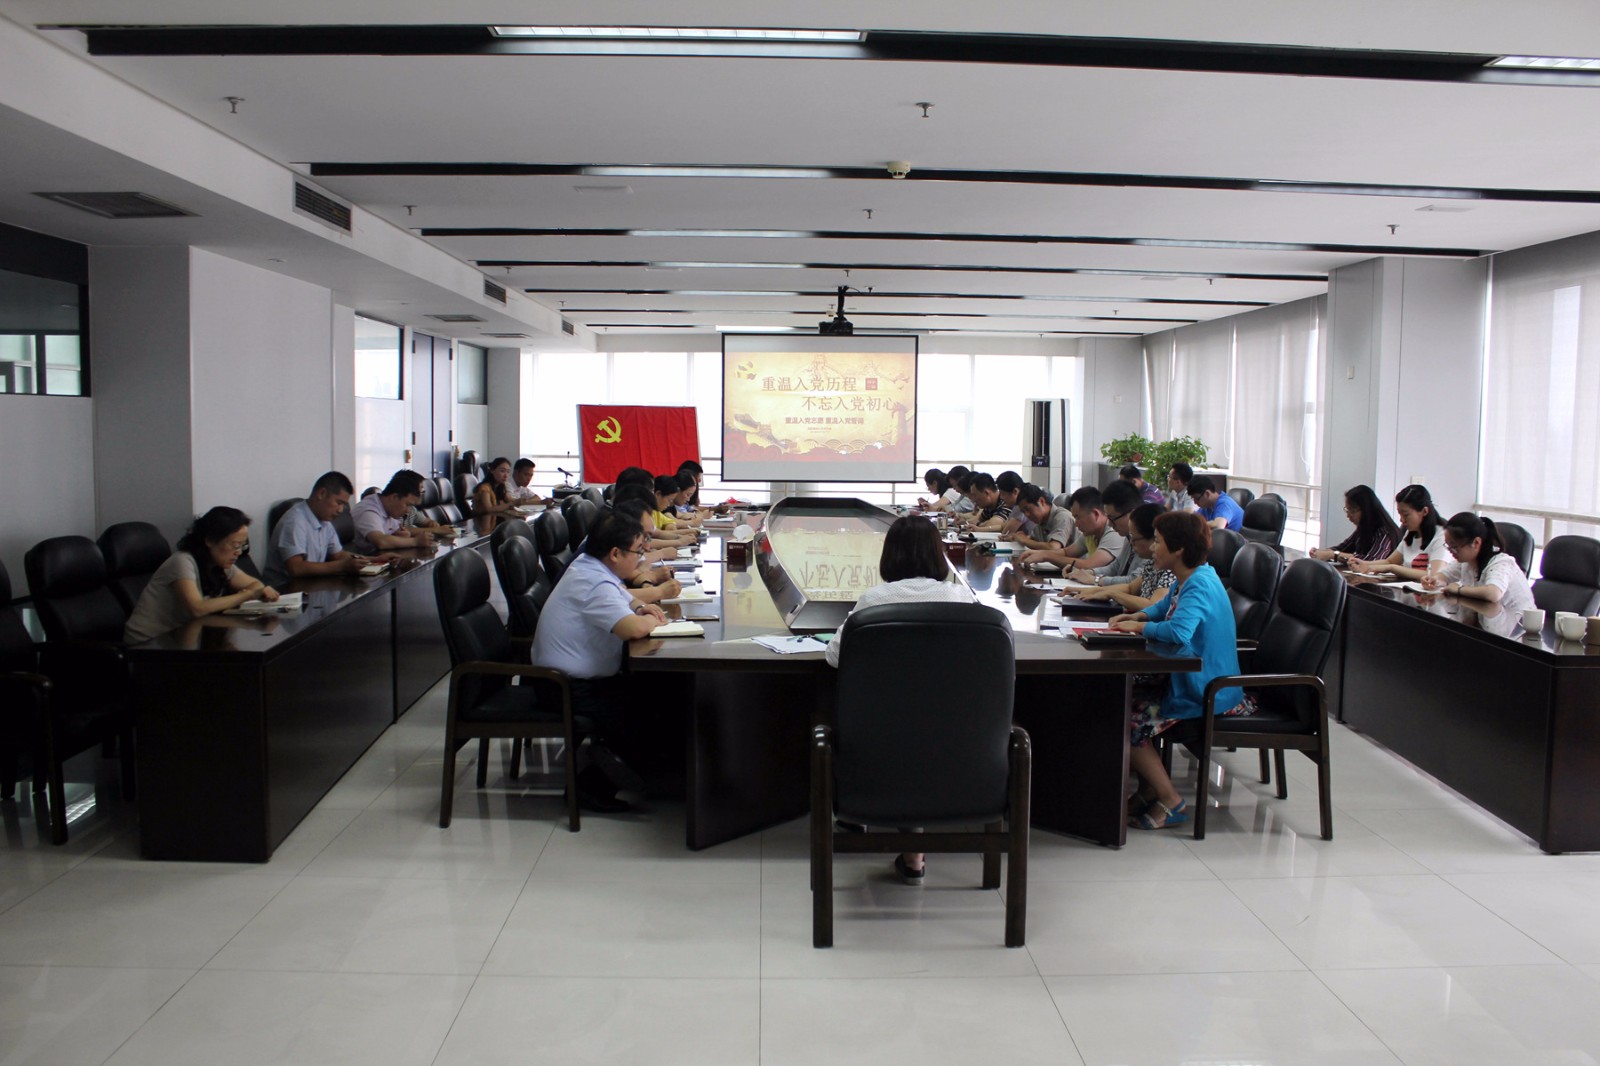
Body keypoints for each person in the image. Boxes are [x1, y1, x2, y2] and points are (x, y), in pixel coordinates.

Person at [825, 515, 981, 885]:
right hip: (961, 742)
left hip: (881, 742)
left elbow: (834, 656)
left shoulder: (875, 601)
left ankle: (864, 815)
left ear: (889, 556)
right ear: (939, 555)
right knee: (925, 725)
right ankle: (914, 849)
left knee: (892, 720)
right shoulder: (963, 598)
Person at [1108, 511, 1250, 830]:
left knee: (1126, 720)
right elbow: (1164, 607)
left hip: (1207, 689)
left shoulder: (1199, 584)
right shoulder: (1193, 575)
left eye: (1158, 542)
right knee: (1121, 700)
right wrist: (1141, 617)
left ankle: (1171, 801)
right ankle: (1149, 790)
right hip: (1191, 679)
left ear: (1179, 549)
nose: (1153, 548)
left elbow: (1179, 632)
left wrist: (1140, 629)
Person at [529, 509, 668, 812]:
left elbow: (623, 595)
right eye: (638, 551)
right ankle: (590, 787)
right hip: (567, 689)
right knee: (653, 707)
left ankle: (648, 773)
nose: (641, 557)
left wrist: (640, 607)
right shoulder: (593, 582)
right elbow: (632, 629)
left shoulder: (589, 566)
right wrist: (651, 621)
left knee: (658, 692)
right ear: (615, 553)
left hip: (568, 681)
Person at [124, 506, 280, 643]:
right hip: (148, 645)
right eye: (234, 545)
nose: (238, 552)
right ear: (210, 540)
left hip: (186, 637)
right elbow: (197, 608)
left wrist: (256, 596)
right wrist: (247, 595)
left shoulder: (219, 564)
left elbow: (256, 585)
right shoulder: (182, 562)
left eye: (242, 545)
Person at [264, 470, 377, 585]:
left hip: (310, 584)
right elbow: (296, 568)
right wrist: (342, 566)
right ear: (322, 494)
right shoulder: (295, 521)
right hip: (284, 590)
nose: (341, 510)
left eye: (343, 505)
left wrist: (374, 560)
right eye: (339, 503)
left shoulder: (324, 521)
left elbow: (338, 555)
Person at [1066, 503, 1176, 611]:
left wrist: (1112, 593)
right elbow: (1130, 588)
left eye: (1135, 539)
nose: (1131, 543)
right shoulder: (1153, 564)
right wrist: (1091, 591)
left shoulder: (1171, 570)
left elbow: (1153, 605)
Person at [1426, 512, 1535, 612]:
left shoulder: (1502, 563)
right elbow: (1444, 576)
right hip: (1486, 618)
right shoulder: (1466, 561)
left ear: (1476, 542)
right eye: (1447, 546)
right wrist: (1433, 580)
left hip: (1517, 624)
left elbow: (1493, 593)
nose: (1450, 551)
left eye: (1454, 547)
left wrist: (1458, 590)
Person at [1014, 485, 1127, 575]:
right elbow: (1066, 552)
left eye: (1078, 517)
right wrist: (1040, 553)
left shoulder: (1114, 533)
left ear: (1095, 514)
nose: (1076, 524)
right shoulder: (1090, 533)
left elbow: (1089, 565)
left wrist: (1046, 556)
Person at [1350, 484, 1447, 581]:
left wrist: (1392, 568)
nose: (1401, 520)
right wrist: (1365, 564)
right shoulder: (1411, 532)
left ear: (1424, 511)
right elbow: (1390, 561)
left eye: (1406, 515)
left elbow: (1434, 575)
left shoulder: (1441, 535)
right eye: (1400, 514)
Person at [1070, 480, 1142, 585]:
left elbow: (1135, 580)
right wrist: (1089, 572)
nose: (1110, 524)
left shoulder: (1148, 538)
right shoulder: (1128, 537)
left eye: (1112, 518)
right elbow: (1115, 567)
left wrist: (1096, 580)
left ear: (1132, 513)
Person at [350, 470, 437, 553]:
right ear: (394, 497)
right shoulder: (368, 510)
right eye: (407, 505)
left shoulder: (390, 510)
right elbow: (381, 541)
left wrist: (402, 536)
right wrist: (415, 541)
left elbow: (396, 534)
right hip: (362, 560)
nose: (408, 511)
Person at [1311, 484, 1401, 564]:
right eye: (1347, 510)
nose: (1348, 515)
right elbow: (1343, 548)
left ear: (1366, 510)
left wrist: (1333, 555)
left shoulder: (1384, 532)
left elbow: (1371, 560)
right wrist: (1320, 552)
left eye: (1352, 511)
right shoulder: (1363, 529)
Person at [1003, 483, 1076, 550]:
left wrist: (1024, 540)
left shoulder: (1062, 517)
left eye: (1027, 509)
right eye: (1023, 512)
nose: (1027, 515)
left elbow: (1053, 547)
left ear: (1041, 501)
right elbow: (1033, 540)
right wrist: (1015, 537)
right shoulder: (1041, 521)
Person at [471, 457, 520, 530]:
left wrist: (524, 502)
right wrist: (511, 504)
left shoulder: (501, 487)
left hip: (496, 522)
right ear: (492, 470)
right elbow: (489, 509)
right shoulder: (484, 488)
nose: (506, 475)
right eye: (502, 471)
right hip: (482, 525)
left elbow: (511, 500)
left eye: (508, 472)